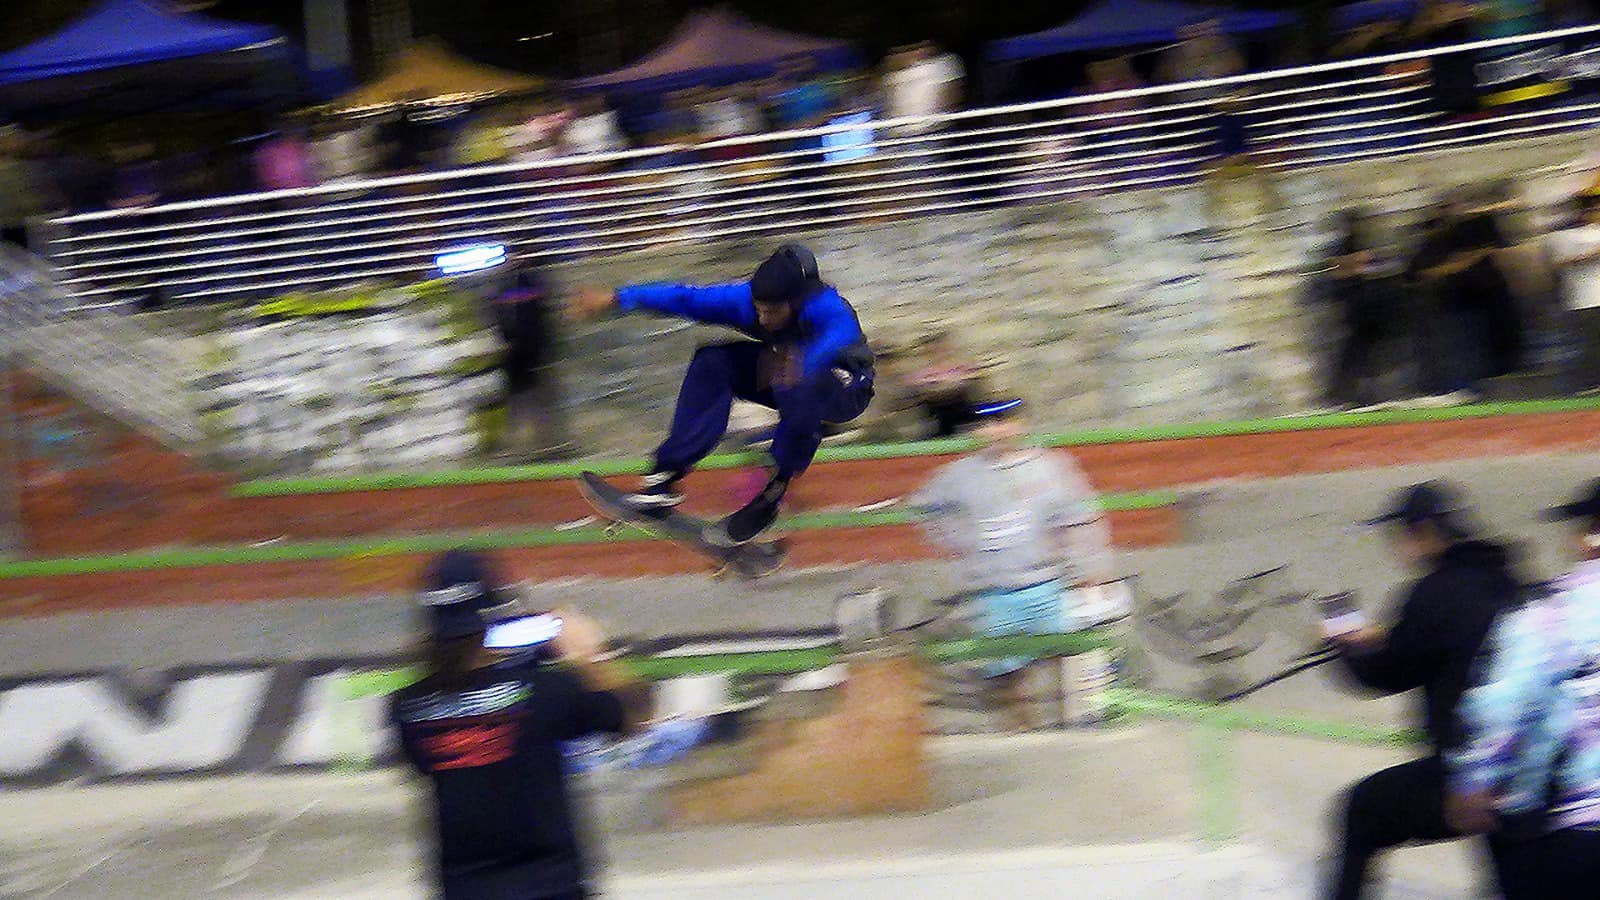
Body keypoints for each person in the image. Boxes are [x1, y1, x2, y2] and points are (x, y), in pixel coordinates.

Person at [570, 244, 875, 544]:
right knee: (713, 362)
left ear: (795, 303)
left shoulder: (829, 310)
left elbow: (836, 340)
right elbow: (684, 298)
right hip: (789, 379)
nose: (763, 319)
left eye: (772, 312)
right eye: (759, 309)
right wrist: (619, 298)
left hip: (846, 389)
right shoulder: (743, 302)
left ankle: (773, 491)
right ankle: (664, 480)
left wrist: (801, 367)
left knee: (794, 375)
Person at [389, 550, 648, 900]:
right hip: (552, 888)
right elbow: (633, 713)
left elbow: (424, 760)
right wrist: (589, 655)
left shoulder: (406, 708)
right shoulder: (547, 691)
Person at [1322, 482, 1521, 900]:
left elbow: (1385, 673)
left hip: (1472, 772)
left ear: (1424, 532)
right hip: (1531, 761)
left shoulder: (1433, 592)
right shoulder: (1509, 580)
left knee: (1361, 810)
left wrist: (1343, 646)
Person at [908, 398, 1116, 730]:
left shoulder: (1052, 467)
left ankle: (1074, 728)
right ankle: (1023, 733)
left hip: (1049, 584)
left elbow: (1082, 516)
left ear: (1021, 424)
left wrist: (1091, 568)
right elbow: (926, 508)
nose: (996, 431)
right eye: (987, 424)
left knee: (1068, 655)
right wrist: (958, 541)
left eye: (1004, 421)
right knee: (1004, 672)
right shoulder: (958, 476)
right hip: (994, 591)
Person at [1444, 479, 1600, 898]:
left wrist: (1474, 781)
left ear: (1589, 537)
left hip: (1580, 828)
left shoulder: (1554, 612)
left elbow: (1506, 706)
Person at [491, 259, 573, 460]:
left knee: (534, 396)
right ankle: (527, 444)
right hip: (521, 351)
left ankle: (542, 443)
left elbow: (542, 314)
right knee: (524, 398)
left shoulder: (524, 280)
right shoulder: (512, 282)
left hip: (530, 349)